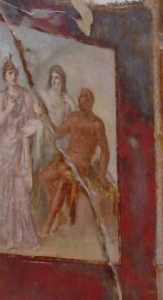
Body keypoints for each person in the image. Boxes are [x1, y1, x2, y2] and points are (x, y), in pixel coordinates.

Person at [38, 87, 110, 240]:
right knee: (43, 176)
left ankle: (48, 223)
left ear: (91, 101)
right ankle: (60, 214)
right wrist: (46, 118)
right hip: (64, 159)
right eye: (79, 96)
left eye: (84, 97)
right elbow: (57, 133)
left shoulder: (97, 124)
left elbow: (105, 151)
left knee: (64, 182)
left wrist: (102, 175)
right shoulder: (73, 117)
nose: (80, 99)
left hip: (80, 166)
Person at [0, 57, 40, 249]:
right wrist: (8, 110)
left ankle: (29, 237)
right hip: (6, 148)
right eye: (8, 73)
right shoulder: (1, 98)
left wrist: (35, 124)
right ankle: (11, 238)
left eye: (14, 73)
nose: (12, 76)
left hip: (20, 147)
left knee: (21, 192)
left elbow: (36, 119)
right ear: (4, 76)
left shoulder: (27, 96)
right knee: (7, 193)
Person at [34, 64, 75, 170]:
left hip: (62, 139)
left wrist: (72, 104)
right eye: (52, 77)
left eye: (56, 77)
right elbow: (38, 115)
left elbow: (73, 122)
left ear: (62, 80)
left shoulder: (66, 100)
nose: (53, 80)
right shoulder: (44, 96)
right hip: (47, 135)